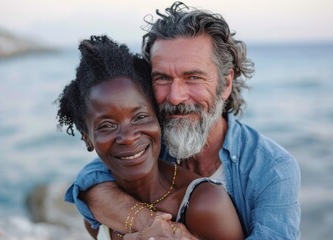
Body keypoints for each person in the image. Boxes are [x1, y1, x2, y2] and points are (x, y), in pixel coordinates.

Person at [65, 2, 301, 239]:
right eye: (163, 78)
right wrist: (150, 223)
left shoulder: (272, 168)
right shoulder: (147, 142)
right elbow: (89, 181)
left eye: (193, 77)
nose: (176, 97)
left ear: (225, 84)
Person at [57, 35, 244, 240]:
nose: (128, 138)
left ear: (158, 118)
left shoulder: (205, 204)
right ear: (87, 139)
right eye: (106, 125)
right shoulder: (97, 209)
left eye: (140, 117)